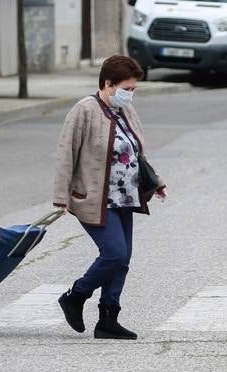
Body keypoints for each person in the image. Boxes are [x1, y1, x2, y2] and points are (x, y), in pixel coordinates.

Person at [53, 55, 166, 340]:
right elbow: (66, 153)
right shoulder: (84, 110)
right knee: (114, 254)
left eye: (134, 89)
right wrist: (60, 197)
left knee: (123, 259)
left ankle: (108, 319)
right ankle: (75, 296)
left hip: (125, 197)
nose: (131, 93)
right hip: (94, 198)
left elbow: (136, 151)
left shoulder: (126, 110)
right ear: (108, 84)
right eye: (128, 88)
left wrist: (156, 182)